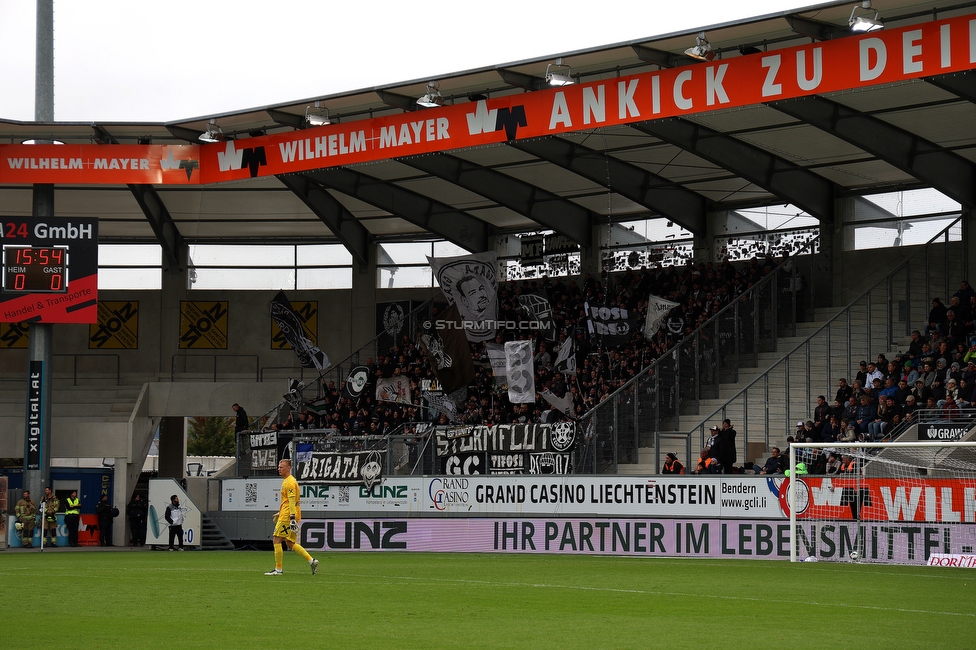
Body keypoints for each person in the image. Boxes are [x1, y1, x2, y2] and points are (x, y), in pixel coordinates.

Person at [266, 459, 319, 576]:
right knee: (289, 543)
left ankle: (278, 570)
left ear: (288, 468)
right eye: (279, 467)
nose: (279, 469)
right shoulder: (288, 481)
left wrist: (291, 517)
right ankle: (312, 561)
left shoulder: (289, 482)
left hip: (288, 516)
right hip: (287, 514)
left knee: (276, 539)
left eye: (281, 467)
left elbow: (291, 500)